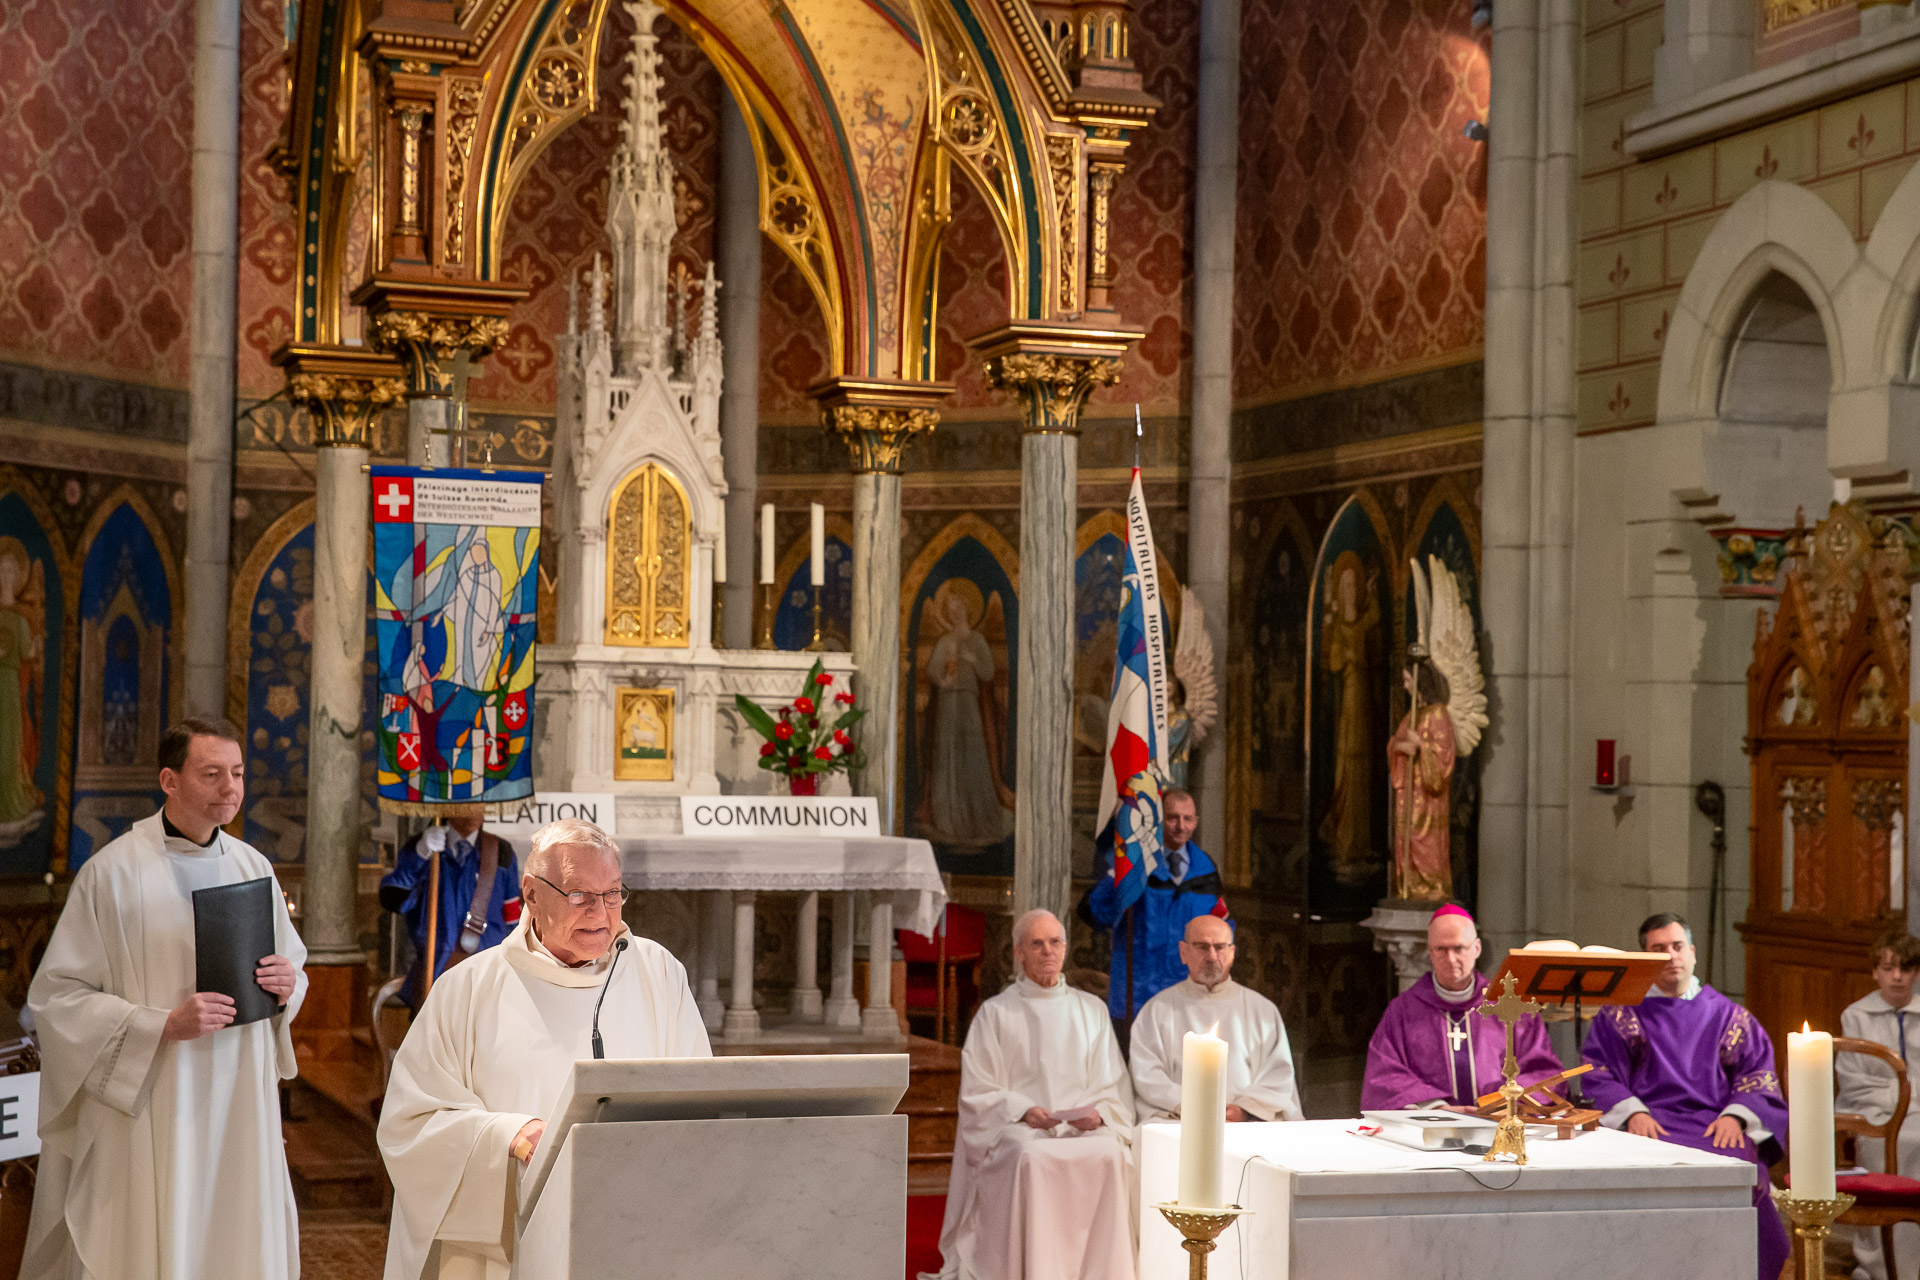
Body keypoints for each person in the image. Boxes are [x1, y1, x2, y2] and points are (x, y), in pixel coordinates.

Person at [23, 717, 307, 1280]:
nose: (231, 788)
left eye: (237, 773)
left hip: (239, 1092)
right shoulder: (112, 874)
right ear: (169, 781)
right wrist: (160, 1025)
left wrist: (286, 984)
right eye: (212, 774)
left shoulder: (253, 867)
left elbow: (288, 966)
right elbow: (57, 999)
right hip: (157, 1093)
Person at [378, 818, 709, 1279]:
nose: (601, 913)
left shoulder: (659, 975)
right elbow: (411, 1124)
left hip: (633, 1230)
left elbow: (699, 1104)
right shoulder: (467, 989)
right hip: (512, 1252)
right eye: (579, 895)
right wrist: (510, 1135)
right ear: (531, 894)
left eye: (613, 894)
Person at [926, 910, 1136, 1280]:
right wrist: (1023, 1110)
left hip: (1081, 1128)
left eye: (1055, 942)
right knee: (1031, 1155)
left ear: (1065, 948)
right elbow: (978, 1090)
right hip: (1019, 1127)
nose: (1047, 951)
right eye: (1036, 944)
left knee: (1110, 1151)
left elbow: (1112, 1082)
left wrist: (1101, 1113)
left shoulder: (1091, 1010)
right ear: (1018, 952)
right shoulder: (995, 1013)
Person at [1582, 912, 1788, 1280]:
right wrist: (1632, 1114)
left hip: (1715, 1126)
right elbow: (1598, 1073)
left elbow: (1757, 1075)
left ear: (1692, 952)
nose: (1671, 956)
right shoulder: (1621, 1015)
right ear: (1644, 958)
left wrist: (1736, 1115)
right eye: (1658, 949)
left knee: (1743, 1170)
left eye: (1678, 946)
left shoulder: (1731, 1017)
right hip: (1651, 1127)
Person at [1361, 904, 1560, 1110]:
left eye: (1458, 948)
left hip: (1499, 1121)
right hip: (1432, 1125)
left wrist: (1503, 1103)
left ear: (1476, 948)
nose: (1450, 959)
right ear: (1430, 952)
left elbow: (1543, 1071)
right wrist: (1437, 1107)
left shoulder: (1510, 1006)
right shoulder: (1403, 1011)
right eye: (1441, 949)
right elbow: (1385, 1074)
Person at [1129, 914, 1302, 1123]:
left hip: (1247, 1121)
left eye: (1219, 947)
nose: (1211, 957)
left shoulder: (1263, 1010)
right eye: (1202, 947)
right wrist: (1194, 1106)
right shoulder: (1156, 1010)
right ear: (1183, 952)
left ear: (1232, 953)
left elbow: (1277, 1074)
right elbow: (1148, 1075)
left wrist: (1243, 1109)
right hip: (1180, 1117)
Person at [1083, 787, 1228, 1024]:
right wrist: (1119, 872)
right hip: (1136, 997)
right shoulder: (1135, 863)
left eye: (1187, 819)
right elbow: (1098, 912)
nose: (1181, 826)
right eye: (1172, 818)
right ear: (1159, 821)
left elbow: (1220, 929)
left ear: (1196, 822)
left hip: (1188, 1000)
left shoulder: (1206, 870)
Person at [1837, 929, 1920, 1280]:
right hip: (1874, 1115)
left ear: (1916, 972)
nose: (1897, 977)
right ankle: (1879, 1264)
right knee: (1896, 1142)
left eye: (1906, 968)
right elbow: (1854, 1080)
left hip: (1918, 1113)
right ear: (1875, 972)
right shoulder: (1856, 1016)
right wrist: (1902, 1096)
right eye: (1888, 968)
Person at [379, 814, 522, 1006]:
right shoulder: (420, 848)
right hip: (433, 973)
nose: (473, 810)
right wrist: (419, 856)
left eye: (478, 803)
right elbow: (393, 900)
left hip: (489, 976)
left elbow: (513, 920)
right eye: (465, 804)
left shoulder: (501, 852)